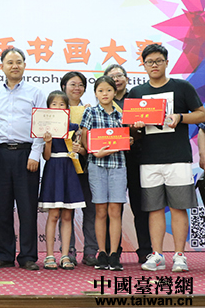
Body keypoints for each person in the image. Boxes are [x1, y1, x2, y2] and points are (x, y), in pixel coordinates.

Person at [129, 44, 205, 272]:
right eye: (149, 62)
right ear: (143, 65)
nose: (154, 65)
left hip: (178, 158)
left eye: (158, 61)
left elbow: (201, 114)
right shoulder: (136, 93)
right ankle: (157, 254)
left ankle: (180, 255)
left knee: (179, 207)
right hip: (148, 159)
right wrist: (136, 127)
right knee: (154, 209)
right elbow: (130, 130)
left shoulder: (182, 87)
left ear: (166, 63)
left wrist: (180, 117)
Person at [0, 47, 45, 271]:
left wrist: (35, 154)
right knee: (2, 207)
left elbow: (41, 125)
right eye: (10, 62)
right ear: (2, 67)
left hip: (26, 154)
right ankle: (5, 254)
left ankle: (28, 256)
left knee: (27, 208)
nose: (14, 66)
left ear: (25, 65)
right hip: (0, 154)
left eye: (18, 62)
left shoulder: (35, 93)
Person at [80, 76, 129, 271]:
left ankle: (114, 253)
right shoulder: (90, 112)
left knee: (115, 211)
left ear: (115, 92)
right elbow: (85, 138)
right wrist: (93, 152)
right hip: (96, 165)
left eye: (108, 90)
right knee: (100, 210)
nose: (105, 94)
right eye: (100, 90)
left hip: (118, 165)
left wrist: (128, 141)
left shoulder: (122, 115)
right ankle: (101, 252)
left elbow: (125, 138)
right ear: (95, 93)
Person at [104, 63, 152, 263]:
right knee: (112, 207)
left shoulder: (137, 99)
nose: (116, 79)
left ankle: (145, 250)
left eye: (119, 75)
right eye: (112, 76)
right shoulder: (103, 103)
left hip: (135, 158)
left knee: (140, 206)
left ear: (127, 78)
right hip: (111, 160)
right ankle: (111, 251)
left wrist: (137, 129)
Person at [38, 91, 85, 270]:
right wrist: (48, 142)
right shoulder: (45, 128)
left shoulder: (74, 127)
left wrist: (78, 149)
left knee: (67, 216)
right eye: (54, 104)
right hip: (53, 170)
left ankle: (65, 255)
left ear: (67, 107)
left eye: (62, 104)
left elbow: (82, 151)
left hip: (69, 170)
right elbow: (46, 156)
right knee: (54, 215)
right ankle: (49, 255)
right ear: (48, 107)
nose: (58, 107)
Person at [60, 71, 97, 267]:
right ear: (63, 87)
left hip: (87, 165)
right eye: (72, 84)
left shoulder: (90, 111)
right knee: (66, 211)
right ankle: (68, 251)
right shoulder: (57, 112)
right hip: (64, 167)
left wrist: (83, 149)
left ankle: (90, 251)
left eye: (81, 85)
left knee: (91, 210)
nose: (77, 88)